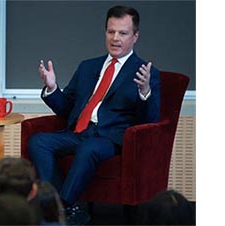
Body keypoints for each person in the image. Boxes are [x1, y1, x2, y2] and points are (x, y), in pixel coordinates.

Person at [28, 5, 160, 225]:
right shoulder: (88, 67)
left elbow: (150, 121)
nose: (115, 38)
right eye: (111, 32)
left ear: (135, 37)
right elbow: (66, 108)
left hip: (110, 138)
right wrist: (52, 88)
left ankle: (62, 209)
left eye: (123, 33)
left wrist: (145, 92)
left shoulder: (145, 73)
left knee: (89, 148)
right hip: (79, 131)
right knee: (39, 141)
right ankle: (66, 209)